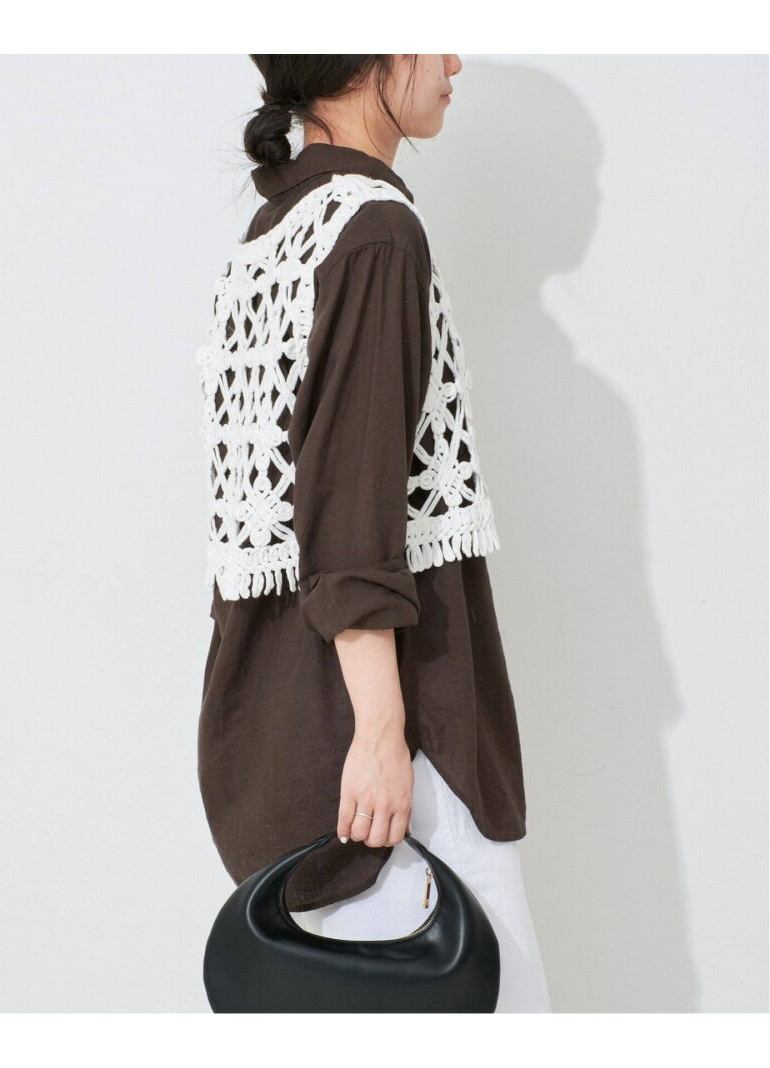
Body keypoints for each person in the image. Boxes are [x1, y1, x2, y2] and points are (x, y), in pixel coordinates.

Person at [197, 54, 551, 1012]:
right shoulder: (376, 232)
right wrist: (384, 734)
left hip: (286, 735)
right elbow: (349, 515)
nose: (454, 59)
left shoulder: (271, 236)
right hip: (390, 748)